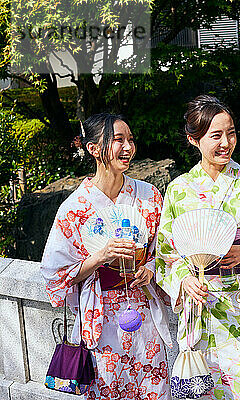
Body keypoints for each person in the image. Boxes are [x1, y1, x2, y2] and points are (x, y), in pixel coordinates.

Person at [41, 113, 172, 400]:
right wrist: (101, 256)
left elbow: (165, 249)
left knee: (154, 388)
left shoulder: (149, 196)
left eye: (131, 140)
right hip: (101, 317)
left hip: (142, 308)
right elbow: (56, 275)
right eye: (118, 140)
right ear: (92, 148)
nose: (128, 147)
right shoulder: (74, 208)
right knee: (107, 389)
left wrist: (150, 267)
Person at [156, 95, 240, 399]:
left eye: (231, 133)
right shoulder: (179, 189)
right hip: (200, 308)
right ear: (194, 139)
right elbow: (166, 253)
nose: (226, 143)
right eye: (215, 135)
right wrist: (184, 279)